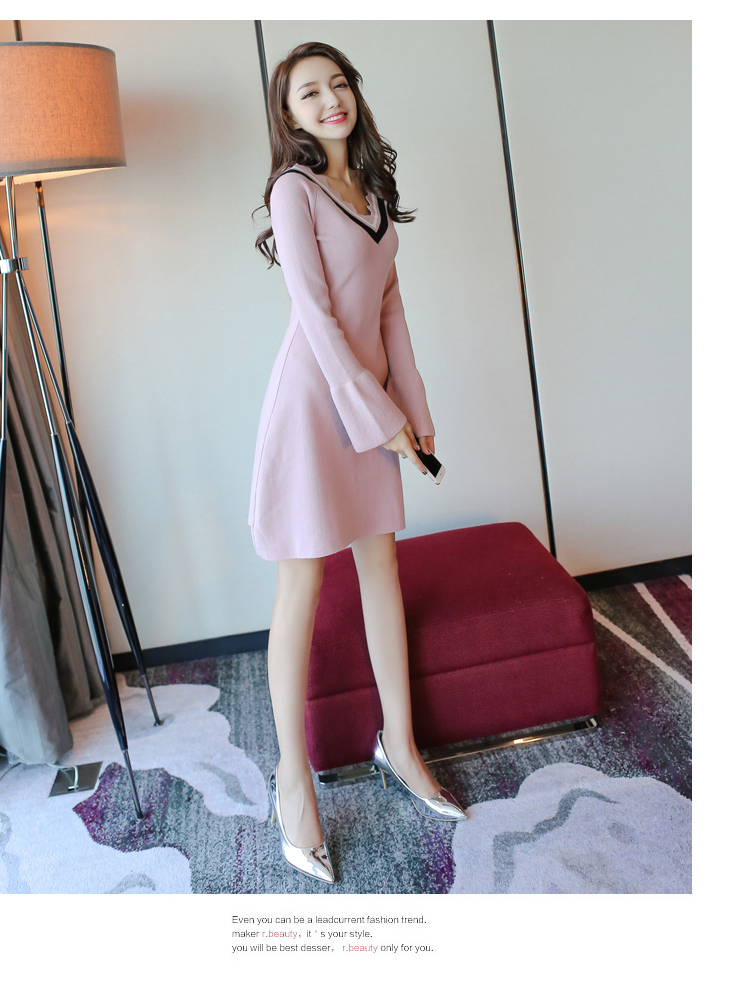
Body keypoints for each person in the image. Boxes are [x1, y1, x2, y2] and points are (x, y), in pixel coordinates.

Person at [248, 41, 467, 885]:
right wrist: (380, 418)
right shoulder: (294, 191)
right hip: (315, 406)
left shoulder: (371, 194)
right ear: (289, 114)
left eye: (337, 84)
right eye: (309, 92)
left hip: (371, 405)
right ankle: (291, 782)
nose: (329, 99)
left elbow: (391, 318)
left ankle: (400, 746)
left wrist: (415, 416)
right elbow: (316, 316)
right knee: (301, 586)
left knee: (383, 570)